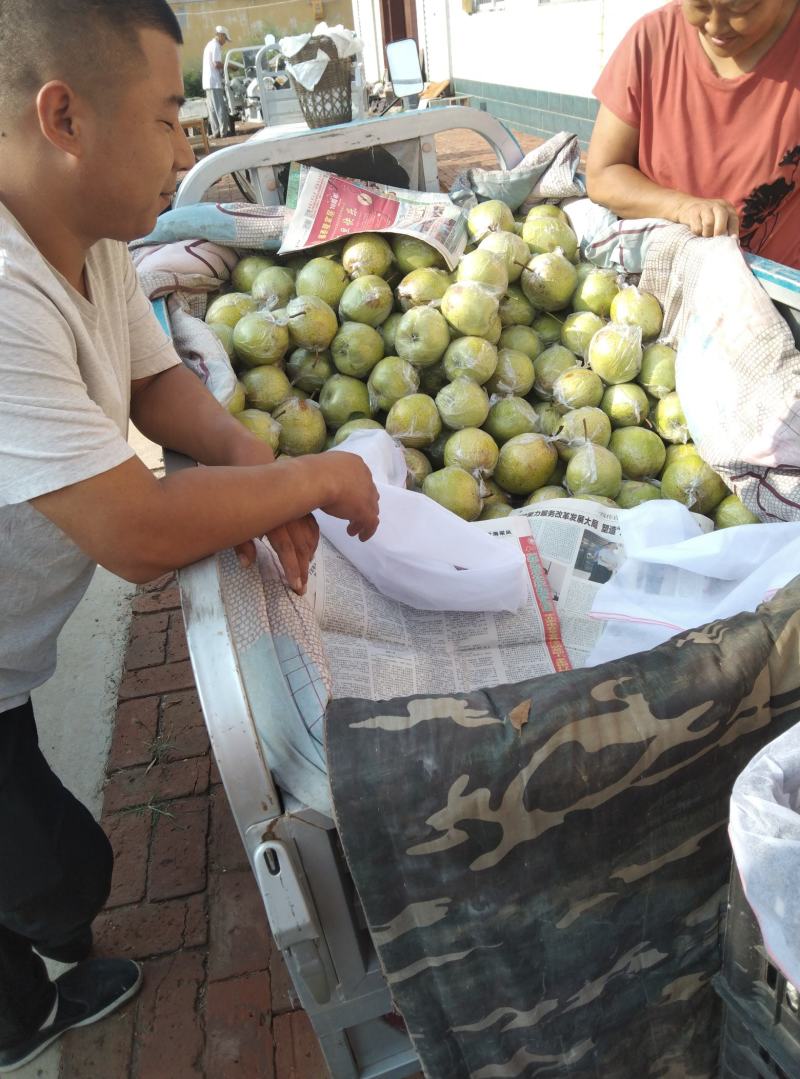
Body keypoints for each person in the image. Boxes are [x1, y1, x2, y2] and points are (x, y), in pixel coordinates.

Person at [0, 0, 379, 1070]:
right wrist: (319, 471)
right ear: (63, 116)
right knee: (56, 876)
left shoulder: (90, 241)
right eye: (169, 118)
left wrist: (264, 478)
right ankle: (21, 1014)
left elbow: (155, 383)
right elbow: (136, 530)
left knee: (45, 858)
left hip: (8, 652)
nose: (187, 149)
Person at [586, 0, 800, 269]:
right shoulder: (652, 39)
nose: (715, 26)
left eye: (740, 9)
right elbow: (603, 173)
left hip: (780, 293)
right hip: (660, 280)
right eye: (700, 5)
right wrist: (680, 206)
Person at [202, 24, 232, 139]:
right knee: (219, 107)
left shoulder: (209, 45)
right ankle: (224, 131)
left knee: (212, 109)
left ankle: (216, 132)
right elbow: (216, 63)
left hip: (208, 81)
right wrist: (228, 66)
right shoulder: (215, 46)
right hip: (214, 81)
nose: (225, 42)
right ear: (220, 35)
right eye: (225, 38)